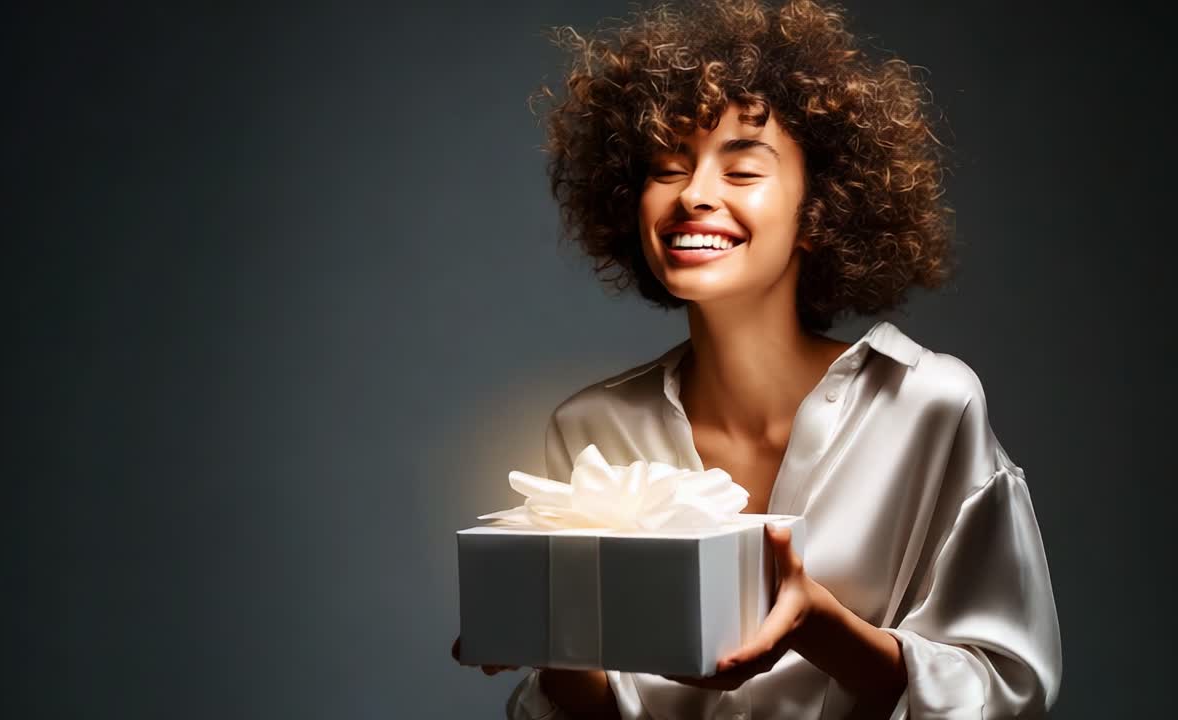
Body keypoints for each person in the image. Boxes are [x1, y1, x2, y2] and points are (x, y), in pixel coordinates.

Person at [452, 0, 1062, 717]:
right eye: (665, 167)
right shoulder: (591, 431)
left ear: (819, 210)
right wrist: (556, 651)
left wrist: (819, 626)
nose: (694, 195)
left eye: (742, 173)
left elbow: (1006, 688)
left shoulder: (930, 403)